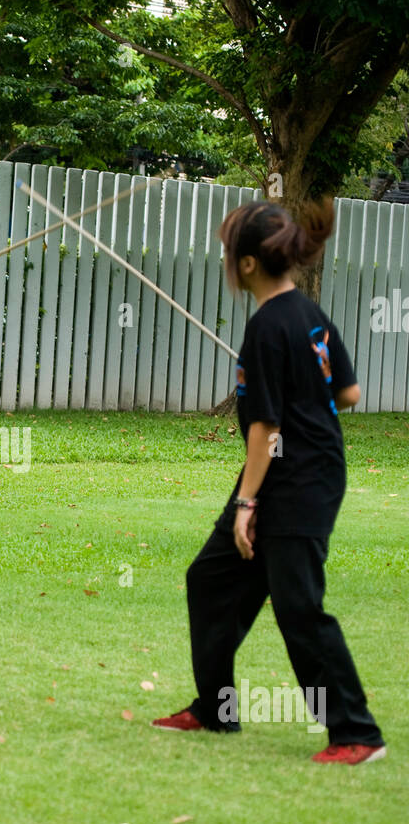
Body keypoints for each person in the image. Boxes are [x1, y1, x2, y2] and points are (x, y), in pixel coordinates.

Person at [151, 197, 386, 765]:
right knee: (211, 579)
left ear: (249, 264)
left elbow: (264, 427)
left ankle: (356, 732)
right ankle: (217, 708)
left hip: (299, 479)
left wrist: (247, 503)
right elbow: (349, 394)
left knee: (297, 605)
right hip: (298, 469)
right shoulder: (307, 314)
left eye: (231, 253)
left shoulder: (267, 326)